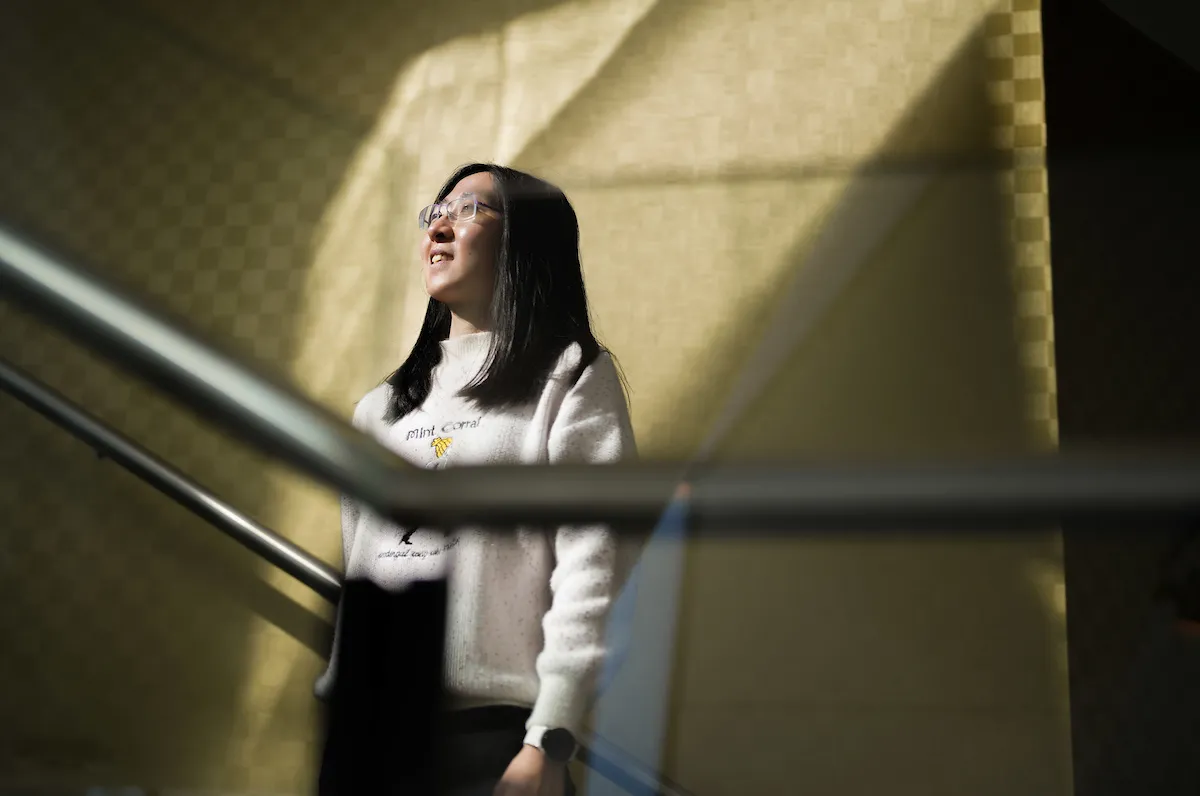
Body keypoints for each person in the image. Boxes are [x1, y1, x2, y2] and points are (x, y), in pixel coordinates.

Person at [315, 163, 637, 795]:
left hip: (498, 739)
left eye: (471, 209)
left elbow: (595, 570)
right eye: (435, 210)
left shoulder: (570, 377)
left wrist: (550, 738)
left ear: (524, 243)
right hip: (371, 737)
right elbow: (361, 577)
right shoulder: (379, 408)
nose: (440, 221)